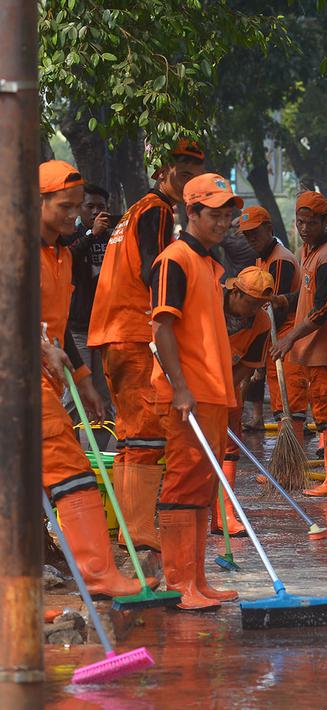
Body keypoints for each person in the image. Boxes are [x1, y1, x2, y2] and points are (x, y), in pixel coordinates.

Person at [89, 139, 206, 554]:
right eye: (184, 172)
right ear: (164, 172)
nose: (189, 181)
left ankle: (126, 527)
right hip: (134, 330)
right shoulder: (156, 209)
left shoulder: (136, 210)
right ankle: (138, 532)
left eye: (195, 173)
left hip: (111, 332)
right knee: (145, 435)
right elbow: (152, 270)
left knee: (128, 438)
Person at [38, 160, 140, 599]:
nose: (73, 215)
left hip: (47, 377)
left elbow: (57, 329)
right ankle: (97, 575)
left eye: (77, 207)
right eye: (64, 206)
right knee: (71, 470)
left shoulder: (61, 253)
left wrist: (82, 379)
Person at [148, 172, 245, 610]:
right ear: (192, 211)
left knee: (203, 487)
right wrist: (180, 387)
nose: (224, 221)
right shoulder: (175, 259)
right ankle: (179, 582)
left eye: (228, 214)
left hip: (213, 391)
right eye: (215, 213)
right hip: (189, 393)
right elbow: (161, 325)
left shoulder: (209, 262)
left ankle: (198, 580)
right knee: (184, 483)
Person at [269, 191, 327, 498]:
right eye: (300, 222)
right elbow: (307, 298)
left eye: (311, 223)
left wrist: (290, 337)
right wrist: (284, 299)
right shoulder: (309, 249)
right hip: (312, 352)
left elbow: (323, 309)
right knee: (324, 412)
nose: (304, 228)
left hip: (326, 351)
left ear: (325, 221)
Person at [236, 205, 310, 444]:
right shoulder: (263, 259)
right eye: (247, 235)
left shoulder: (280, 261)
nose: (251, 239)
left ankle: (292, 470)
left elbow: (276, 308)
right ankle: (287, 469)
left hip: (287, 340)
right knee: (281, 406)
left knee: (290, 407)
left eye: (254, 233)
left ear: (269, 228)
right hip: (276, 342)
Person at [216, 267, 275, 536]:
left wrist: (225, 390)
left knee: (229, 449)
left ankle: (223, 514)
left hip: (227, 385)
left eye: (261, 304)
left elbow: (249, 365)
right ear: (234, 292)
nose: (256, 310)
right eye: (251, 302)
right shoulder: (210, 301)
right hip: (191, 382)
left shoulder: (261, 323)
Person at [66, 182, 114, 431]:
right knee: (75, 396)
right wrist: (90, 235)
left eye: (101, 207)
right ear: (79, 208)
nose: (96, 212)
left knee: (107, 396)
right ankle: (67, 451)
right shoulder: (70, 236)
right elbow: (66, 259)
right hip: (78, 328)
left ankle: (104, 454)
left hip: (108, 328)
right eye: (90, 206)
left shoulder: (115, 238)